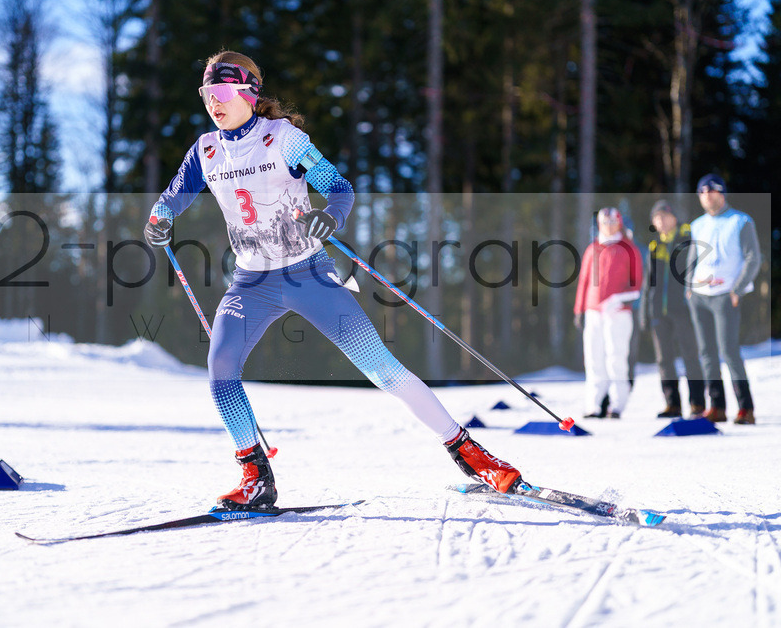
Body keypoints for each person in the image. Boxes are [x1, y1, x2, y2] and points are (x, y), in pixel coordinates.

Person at [144, 50, 524, 510]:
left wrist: (330, 216)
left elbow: (338, 186)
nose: (213, 102)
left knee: (382, 369)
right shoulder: (205, 150)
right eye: (206, 93)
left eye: (222, 92)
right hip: (251, 282)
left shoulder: (280, 138)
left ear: (249, 93)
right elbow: (173, 196)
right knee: (220, 369)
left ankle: (469, 452)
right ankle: (255, 478)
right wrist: (159, 216)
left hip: (308, 274)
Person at [686, 174, 761, 424]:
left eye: (711, 191)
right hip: (699, 297)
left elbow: (753, 258)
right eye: (702, 193)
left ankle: (745, 409)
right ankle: (716, 407)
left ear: (722, 193)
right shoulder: (697, 224)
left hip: (725, 295)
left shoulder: (740, 221)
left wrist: (738, 289)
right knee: (706, 352)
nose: (707, 196)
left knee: (729, 352)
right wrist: (688, 285)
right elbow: (692, 258)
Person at [574, 207, 643, 418]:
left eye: (613, 222)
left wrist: (617, 300)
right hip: (594, 312)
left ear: (619, 223)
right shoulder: (592, 249)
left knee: (616, 358)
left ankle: (617, 404)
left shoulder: (629, 248)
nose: (609, 226)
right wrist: (579, 310)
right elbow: (584, 281)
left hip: (618, 313)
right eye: (605, 222)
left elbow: (636, 285)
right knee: (594, 359)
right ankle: (594, 405)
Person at [639, 200, 705, 418]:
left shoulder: (686, 239)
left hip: (683, 308)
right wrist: (645, 313)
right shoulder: (654, 246)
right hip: (659, 312)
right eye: (656, 218)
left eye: (664, 216)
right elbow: (648, 284)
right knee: (664, 359)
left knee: (690, 355)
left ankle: (697, 403)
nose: (661, 221)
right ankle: (672, 404)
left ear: (673, 217)